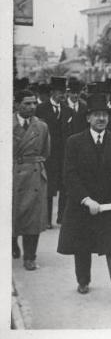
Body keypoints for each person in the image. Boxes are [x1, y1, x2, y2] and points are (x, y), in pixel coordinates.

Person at [57, 93, 111, 301]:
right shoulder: (74, 142)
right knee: (82, 246)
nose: (101, 119)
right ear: (88, 118)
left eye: (105, 115)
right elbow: (69, 175)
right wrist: (85, 199)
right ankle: (83, 280)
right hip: (83, 206)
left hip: (110, 206)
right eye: (96, 115)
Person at [13, 89, 50, 270]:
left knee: (33, 218)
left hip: (35, 175)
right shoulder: (6, 124)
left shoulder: (41, 126)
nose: (32, 107)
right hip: (12, 174)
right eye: (27, 103)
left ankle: (30, 256)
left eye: (34, 103)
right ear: (17, 104)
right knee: (12, 214)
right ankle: (12, 242)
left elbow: (45, 152)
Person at [35, 76, 73, 227]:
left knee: (64, 185)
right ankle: (46, 219)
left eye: (63, 92)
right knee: (48, 187)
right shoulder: (41, 109)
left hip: (64, 154)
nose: (61, 95)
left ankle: (61, 217)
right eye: (58, 92)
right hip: (48, 154)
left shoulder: (68, 110)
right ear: (52, 93)